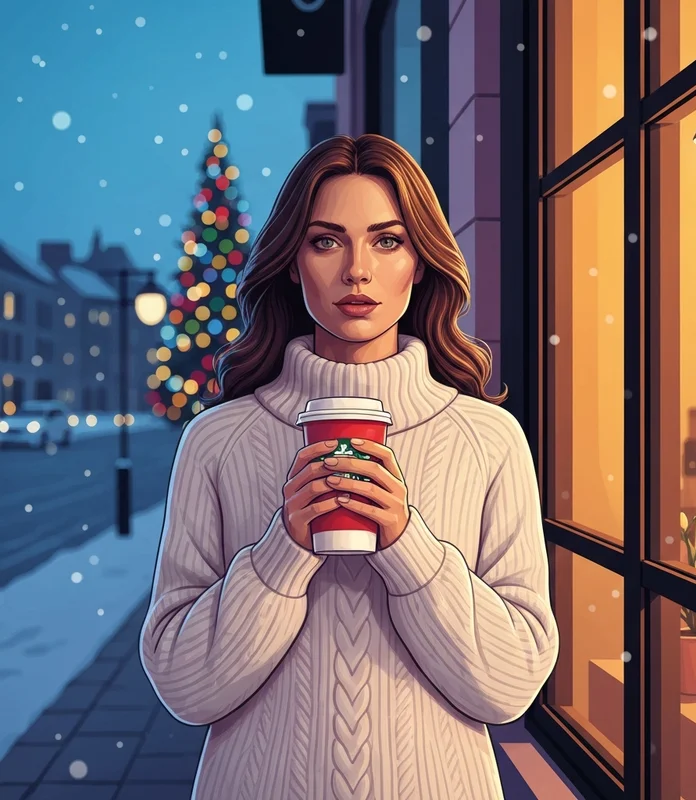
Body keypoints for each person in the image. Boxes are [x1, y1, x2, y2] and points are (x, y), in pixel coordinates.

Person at [140, 133, 559, 800]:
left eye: (387, 241)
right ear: (291, 261)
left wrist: (410, 547)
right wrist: (281, 552)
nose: (357, 271)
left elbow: (510, 687)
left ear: (420, 261)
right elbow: (184, 687)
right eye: (326, 241)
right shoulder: (216, 442)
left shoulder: (488, 439)